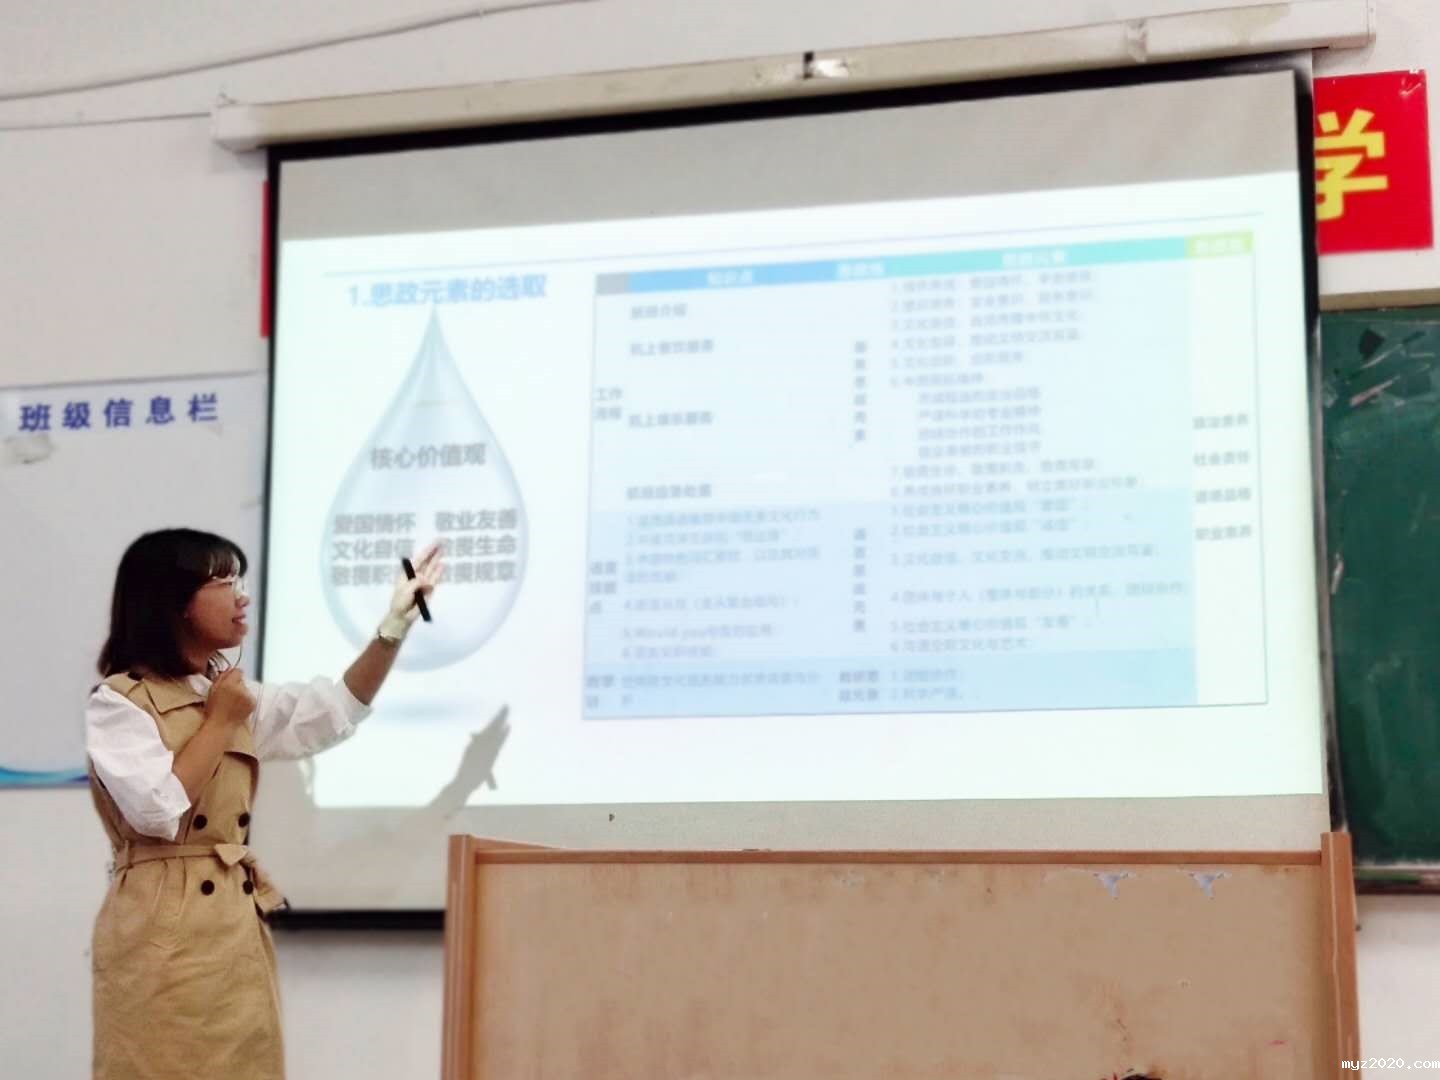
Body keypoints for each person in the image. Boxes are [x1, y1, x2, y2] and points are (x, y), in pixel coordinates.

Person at [84, 527, 439, 1080]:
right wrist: (221, 720)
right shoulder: (119, 702)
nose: (241, 597)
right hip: (159, 929)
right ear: (174, 601)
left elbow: (330, 711)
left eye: (241, 581)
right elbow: (156, 810)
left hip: (232, 923)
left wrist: (393, 628)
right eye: (224, 582)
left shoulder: (226, 692)